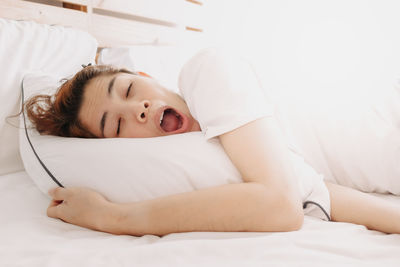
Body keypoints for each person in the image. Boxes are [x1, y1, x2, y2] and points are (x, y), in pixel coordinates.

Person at [24, 48, 400, 236]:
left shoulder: (206, 71)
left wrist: (113, 217)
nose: (137, 109)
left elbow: (280, 206)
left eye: (128, 89)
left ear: (147, 75)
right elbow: (323, 194)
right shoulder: (227, 159)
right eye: (117, 125)